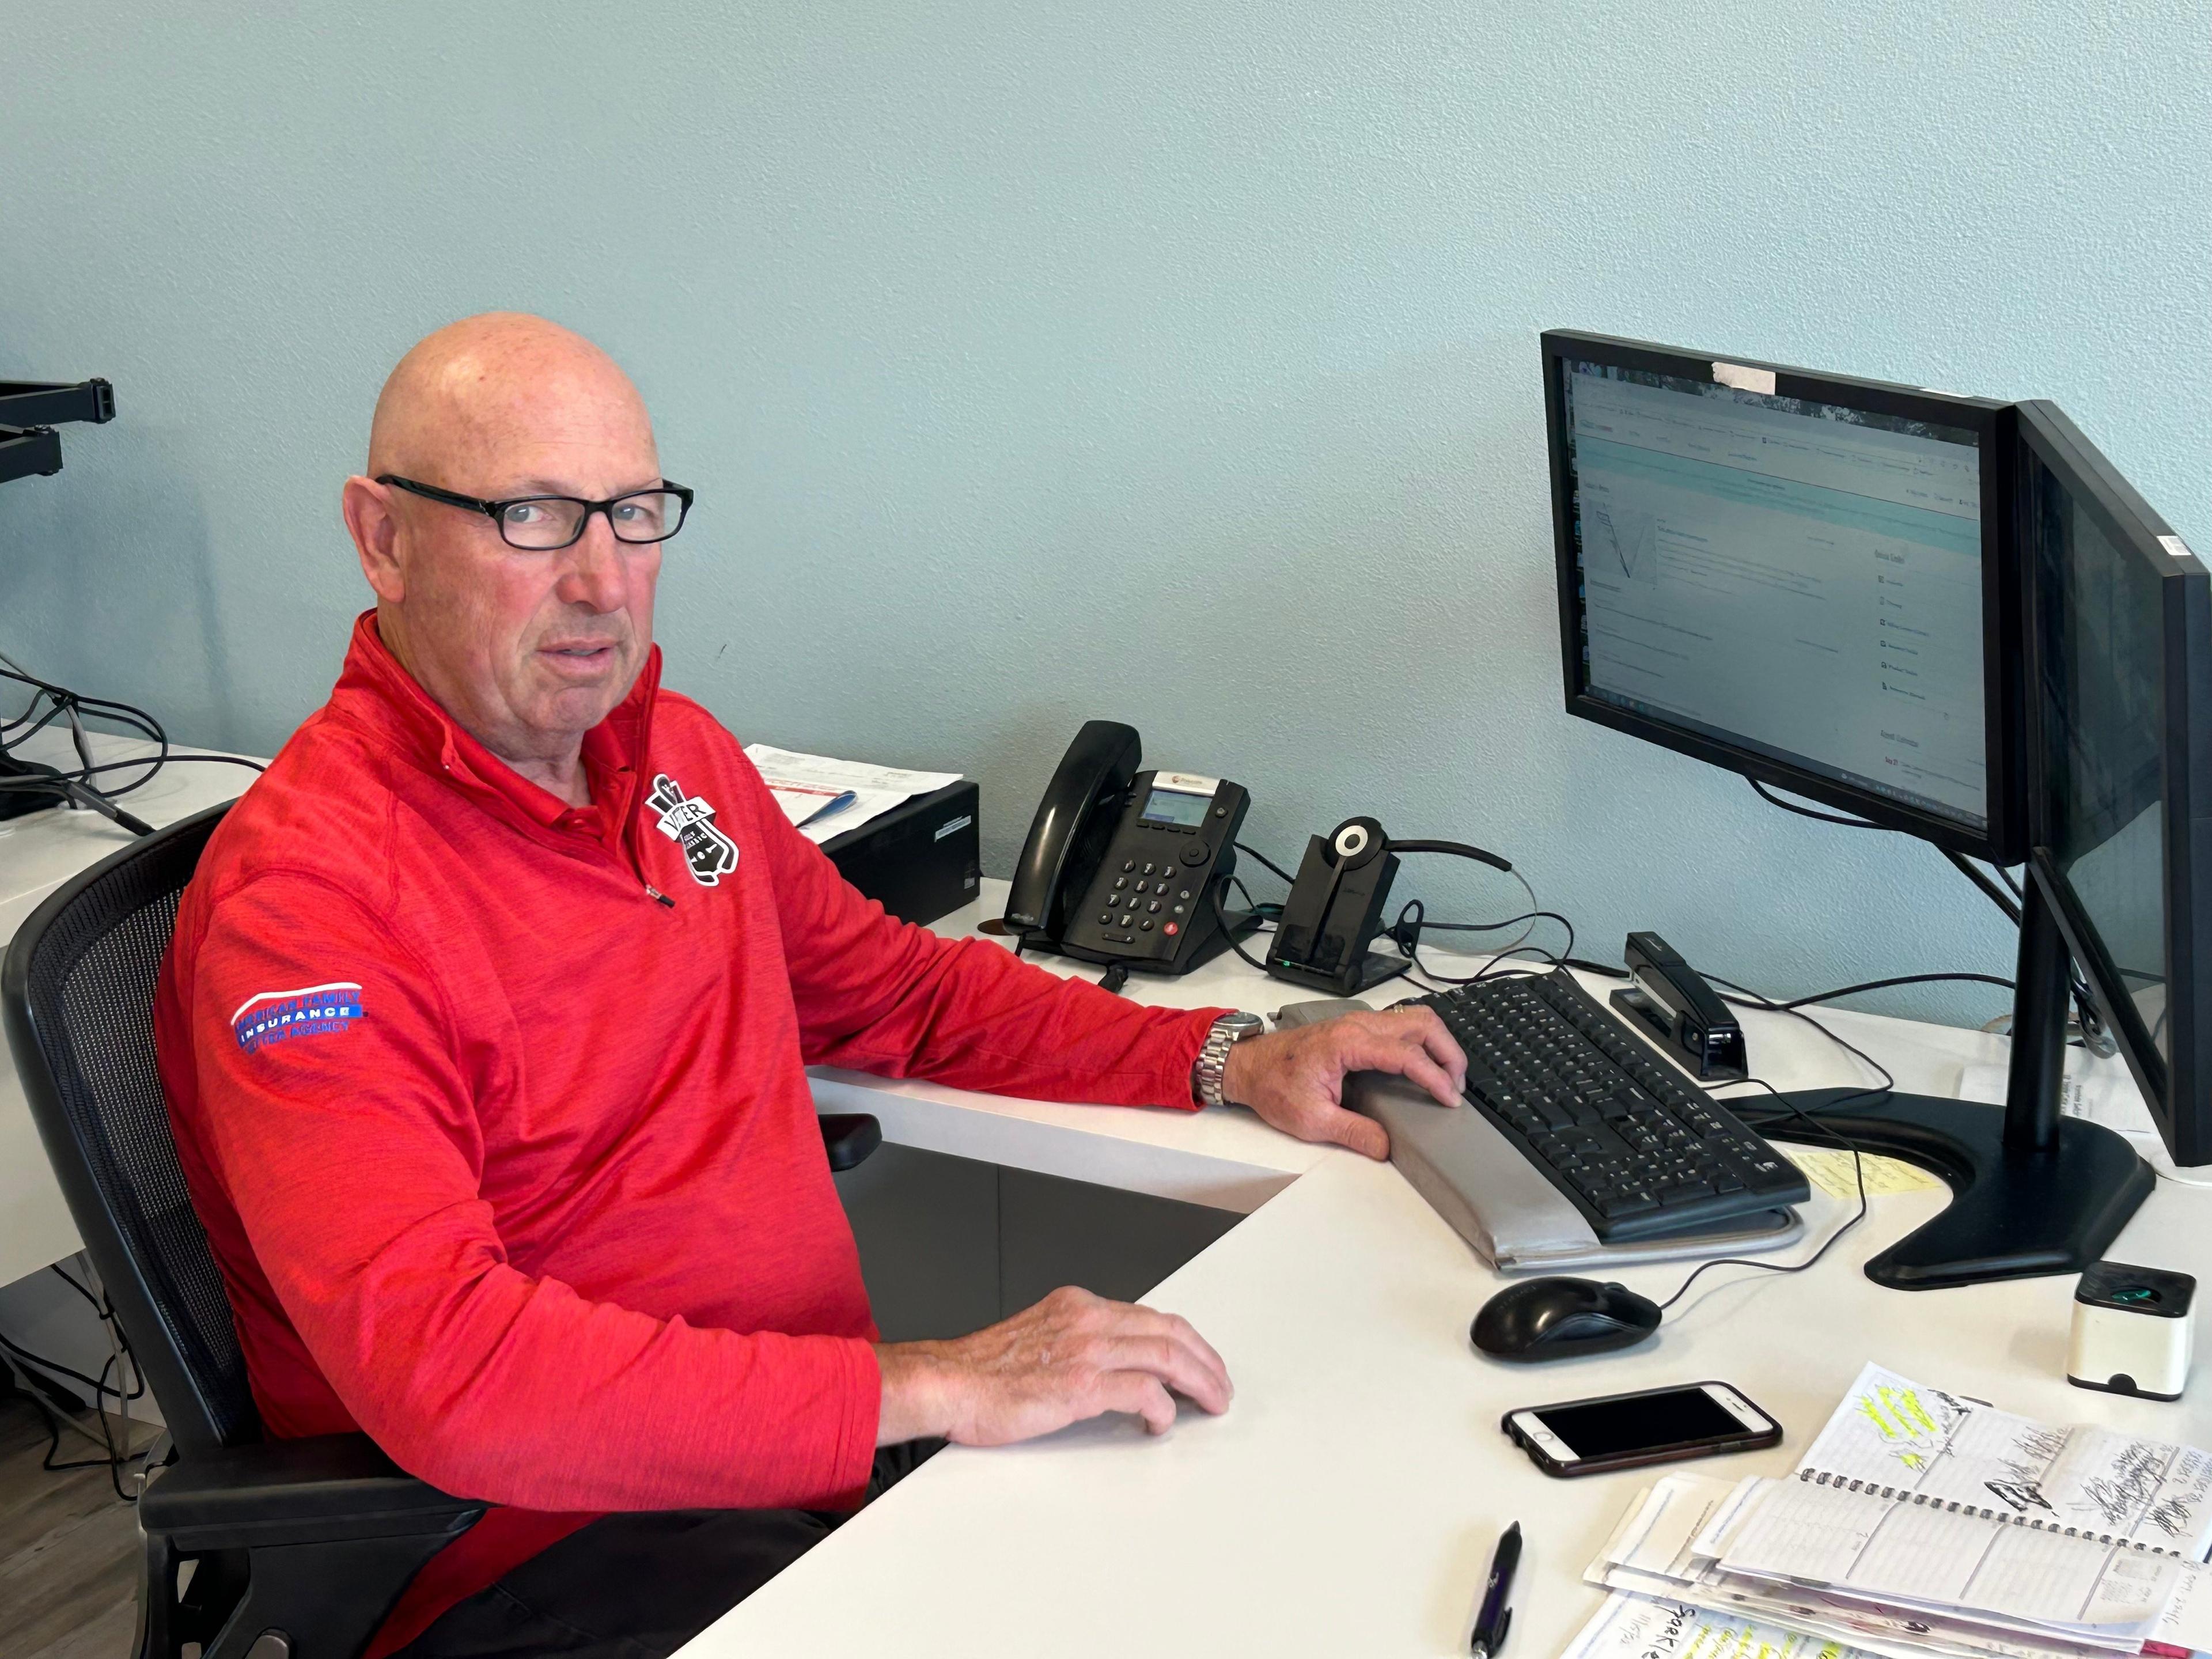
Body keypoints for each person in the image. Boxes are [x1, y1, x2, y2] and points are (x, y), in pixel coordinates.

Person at [153, 313, 1467, 1658]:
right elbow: (456, 1372)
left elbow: (903, 992)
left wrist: (1224, 1055)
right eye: (536, 519)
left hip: (796, 1474)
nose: (606, 584)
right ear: (383, 539)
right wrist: (937, 1382)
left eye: (634, 515)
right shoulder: (312, 909)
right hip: (541, 1552)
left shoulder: (672, 761)